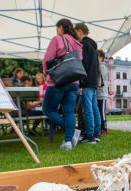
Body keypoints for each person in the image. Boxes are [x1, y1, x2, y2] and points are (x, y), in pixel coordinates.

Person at [42, 18, 83, 150]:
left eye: (57, 28)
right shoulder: (78, 43)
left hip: (58, 81)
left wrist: (46, 73)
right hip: (74, 81)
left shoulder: (57, 39)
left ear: (60, 27)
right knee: (69, 112)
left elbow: (47, 60)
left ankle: (71, 132)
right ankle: (67, 142)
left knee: (48, 109)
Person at [75, 23, 101, 144]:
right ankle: (96, 134)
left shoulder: (84, 44)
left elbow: (83, 65)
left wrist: (81, 82)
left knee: (88, 109)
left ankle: (89, 136)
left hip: (87, 81)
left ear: (80, 31)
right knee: (94, 108)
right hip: (93, 81)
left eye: (75, 32)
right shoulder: (93, 46)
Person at [96, 49, 109, 135]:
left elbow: (100, 81)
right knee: (99, 111)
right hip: (98, 93)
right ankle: (100, 127)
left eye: (97, 56)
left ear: (101, 57)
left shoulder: (102, 67)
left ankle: (104, 128)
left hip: (102, 93)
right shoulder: (98, 66)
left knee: (102, 111)